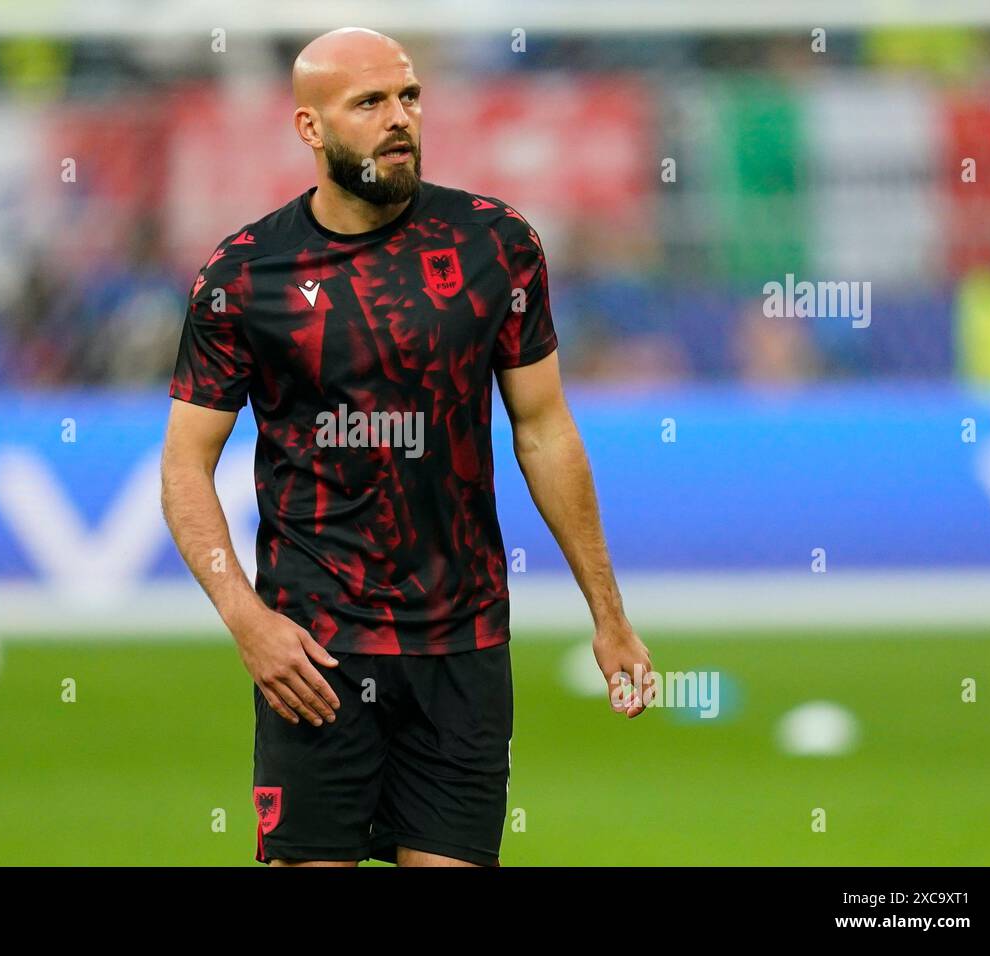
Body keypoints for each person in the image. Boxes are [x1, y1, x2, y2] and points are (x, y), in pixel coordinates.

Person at [160, 27, 651, 868]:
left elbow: (543, 428)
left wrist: (609, 616)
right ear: (310, 128)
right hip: (314, 650)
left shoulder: (497, 244)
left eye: (410, 97)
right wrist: (248, 622)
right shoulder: (244, 275)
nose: (400, 119)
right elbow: (184, 466)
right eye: (370, 102)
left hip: (462, 646)